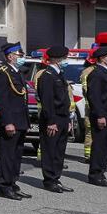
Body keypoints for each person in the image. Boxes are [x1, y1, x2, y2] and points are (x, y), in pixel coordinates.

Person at [0, 44, 32, 200]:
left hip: (20, 120)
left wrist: (26, 121)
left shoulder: (17, 72)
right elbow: (3, 99)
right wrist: (8, 122)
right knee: (8, 155)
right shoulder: (3, 72)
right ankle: (4, 186)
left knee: (16, 155)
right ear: (10, 56)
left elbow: (22, 98)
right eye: (19, 55)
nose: (21, 57)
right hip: (11, 121)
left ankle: (13, 183)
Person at [33, 45, 75, 192]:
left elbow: (64, 99)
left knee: (59, 151)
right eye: (65, 58)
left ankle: (56, 178)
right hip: (53, 119)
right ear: (57, 59)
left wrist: (68, 120)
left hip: (62, 118)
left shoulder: (59, 74)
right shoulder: (47, 76)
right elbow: (47, 101)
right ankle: (49, 180)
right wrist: (51, 121)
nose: (66, 60)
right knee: (50, 151)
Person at [81, 45, 107, 187]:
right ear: (102, 58)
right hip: (102, 114)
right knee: (99, 146)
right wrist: (100, 115)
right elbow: (94, 97)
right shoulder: (96, 74)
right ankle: (95, 175)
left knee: (105, 146)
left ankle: (101, 173)